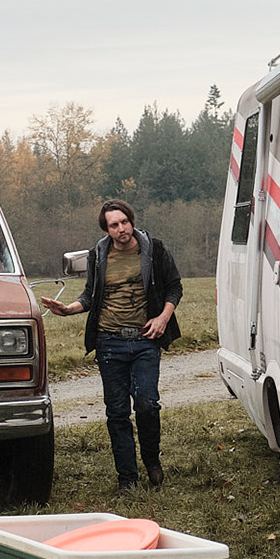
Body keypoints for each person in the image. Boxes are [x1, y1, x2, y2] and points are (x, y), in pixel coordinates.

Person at [39, 199, 183, 491]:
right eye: (114, 225)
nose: (121, 229)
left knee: (146, 404)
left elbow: (174, 287)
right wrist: (68, 310)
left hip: (145, 339)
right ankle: (127, 478)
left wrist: (163, 318)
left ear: (131, 221)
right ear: (106, 229)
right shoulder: (99, 255)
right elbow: (90, 296)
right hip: (109, 342)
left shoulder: (154, 249)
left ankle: (152, 462)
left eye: (124, 222)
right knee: (116, 411)